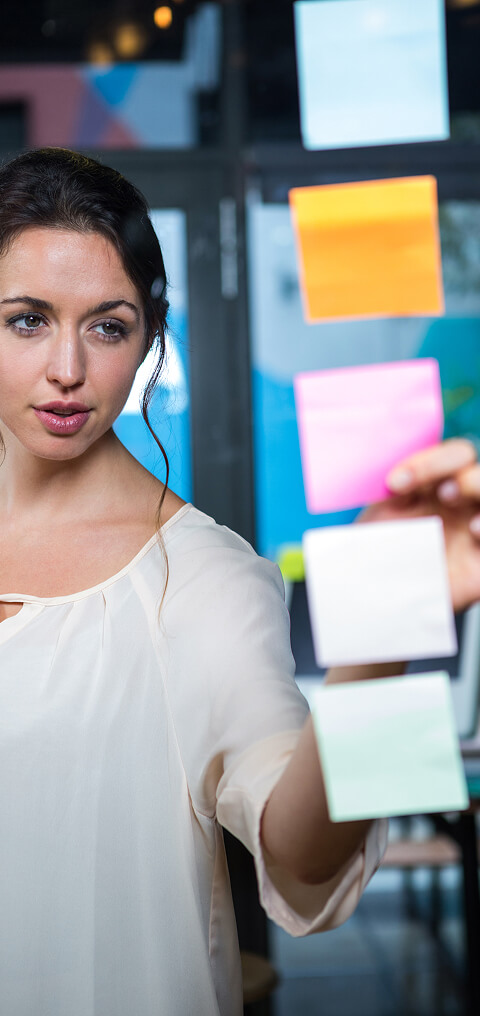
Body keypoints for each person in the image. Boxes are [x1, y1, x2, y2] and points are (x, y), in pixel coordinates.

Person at [1, 148, 480, 1016]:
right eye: (27, 320)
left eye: (107, 326)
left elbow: (308, 865)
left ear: (148, 335)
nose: (67, 367)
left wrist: (389, 631)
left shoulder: (208, 581)